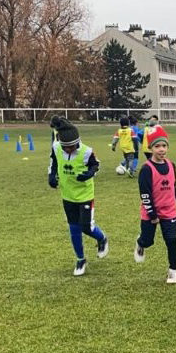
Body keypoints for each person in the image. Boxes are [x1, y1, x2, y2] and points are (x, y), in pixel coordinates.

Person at [48, 117, 109, 276]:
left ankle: (102, 239)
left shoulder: (86, 151)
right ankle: (80, 259)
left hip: (85, 195)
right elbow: (54, 162)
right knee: (74, 229)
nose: (68, 150)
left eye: (71, 147)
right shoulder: (56, 147)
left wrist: (89, 174)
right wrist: (52, 175)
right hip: (67, 195)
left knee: (86, 227)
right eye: (65, 147)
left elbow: (96, 165)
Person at [134, 126, 176, 284]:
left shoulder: (171, 165)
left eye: (164, 146)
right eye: (157, 146)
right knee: (148, 241)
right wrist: (153, 216)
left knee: (171, 240)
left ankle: (173, 271)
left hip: (169, 211)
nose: (161, 149)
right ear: (151, 148)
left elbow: (172, 185)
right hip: (150, 212)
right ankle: (140, 243)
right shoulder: (146, 169)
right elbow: (145, 195)